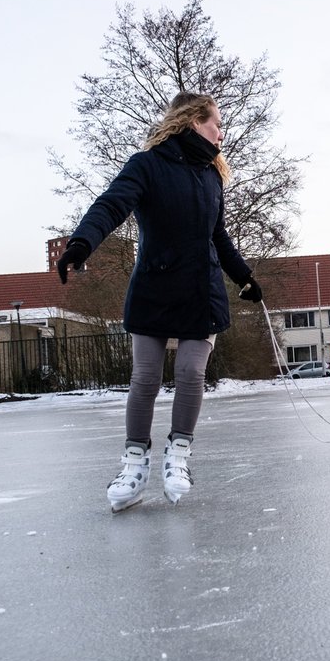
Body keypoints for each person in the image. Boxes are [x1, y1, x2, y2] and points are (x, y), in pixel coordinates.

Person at [56, 92, 263, 512]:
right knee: (146, 378)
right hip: (154, 287)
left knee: (190, 373)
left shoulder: (211, 177)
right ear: (193, 122)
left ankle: (178, 455)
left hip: (200, 292)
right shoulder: (146, 166)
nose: (222, 133)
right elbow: (111, 205)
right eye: (216, 124)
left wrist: (244, 276)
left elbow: (217, 235)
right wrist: (83, 242)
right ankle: (133, 463)